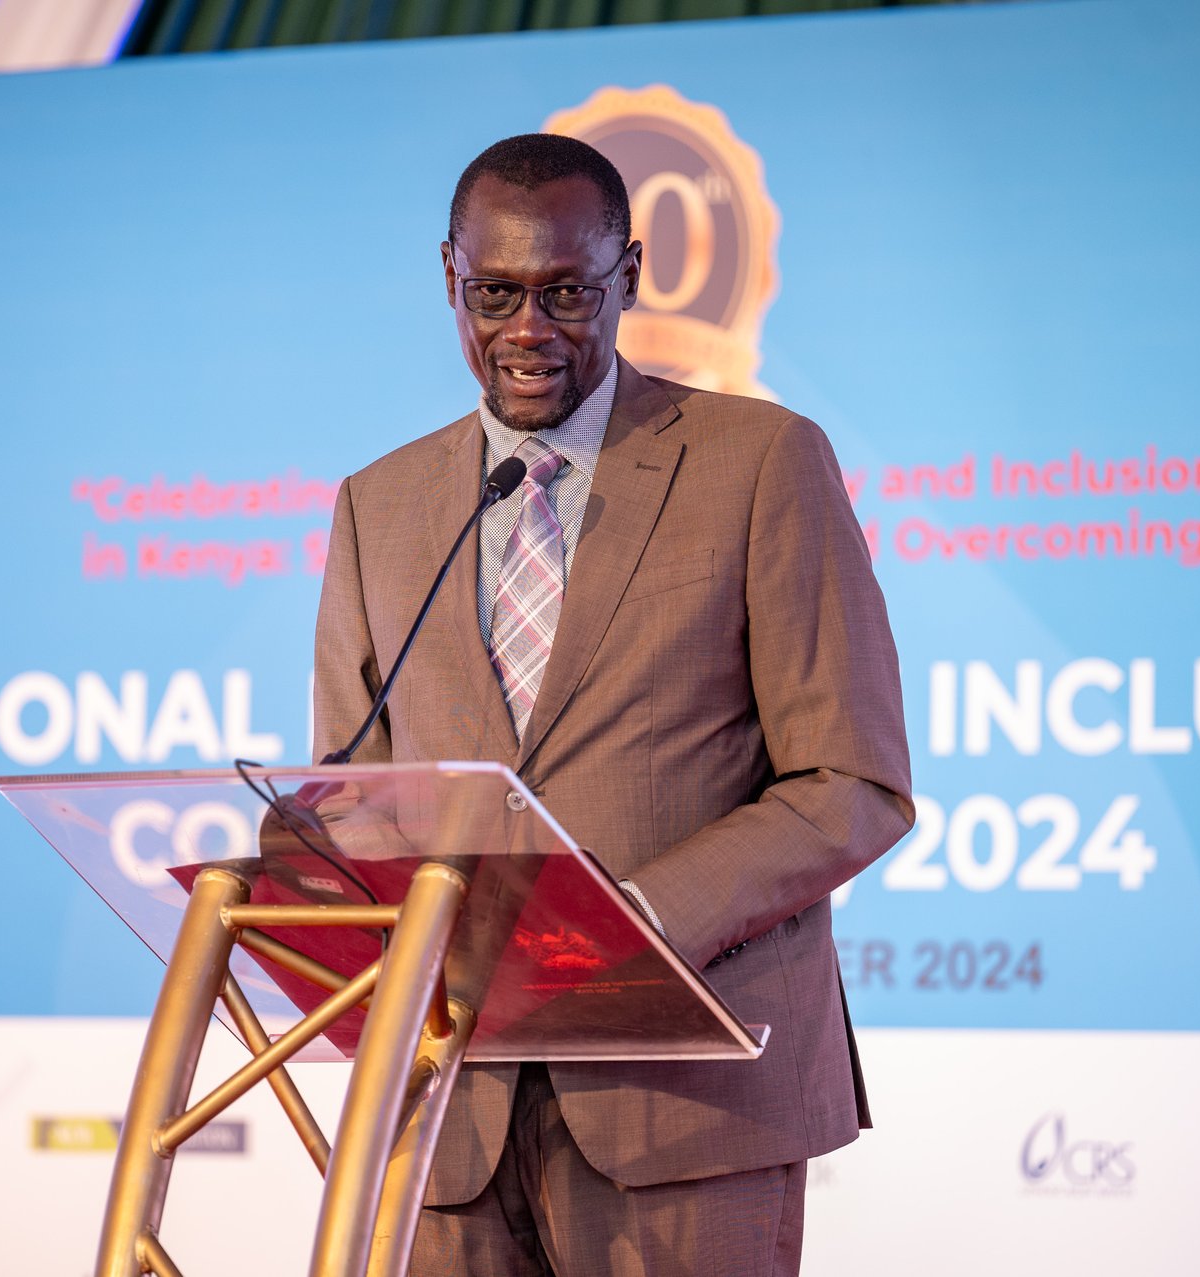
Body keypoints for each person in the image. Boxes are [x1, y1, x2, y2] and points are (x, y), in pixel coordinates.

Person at [311, 133, 913, 1277]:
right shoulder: (376, 507)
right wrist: (309, 859)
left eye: (567, 293)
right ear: (449, 276)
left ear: (629, 275)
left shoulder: (760, 461)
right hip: (449, 1109)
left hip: (683, 1104)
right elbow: (356, 786)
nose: (528, 329)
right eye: (494, 293)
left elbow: (853, 781)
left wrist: (626, 922)